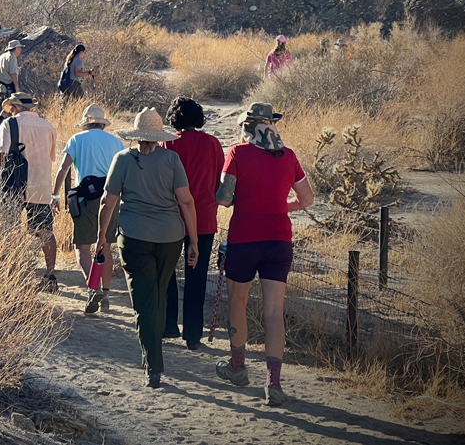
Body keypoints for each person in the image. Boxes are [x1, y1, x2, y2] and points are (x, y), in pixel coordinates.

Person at [214, 102, 315, 407]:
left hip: (245, 238)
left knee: (238, 302)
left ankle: (238, 367)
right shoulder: (289, 156)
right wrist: (281, 207)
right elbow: (307, 199)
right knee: (273, 312)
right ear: (271, 125)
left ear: (246, 126)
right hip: (279, 240)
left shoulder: (238, 153)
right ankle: (274, 383)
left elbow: (225, 199)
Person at [98, 108, 199, 388]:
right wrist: (193, 239)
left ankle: (152, 365)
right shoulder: (171, 159)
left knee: (144, 301)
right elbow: (187, 201)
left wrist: (102, 237)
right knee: (159, 292)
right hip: (170, 237)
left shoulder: (123, 159)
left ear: (137, 135)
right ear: (158, 136)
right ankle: (154, 356)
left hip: (134, 236)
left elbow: (109, 202)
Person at [161, 97, 225, 348]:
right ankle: (193, 335)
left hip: (172, 217)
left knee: (166, 273)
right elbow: (220, 182)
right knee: (196, 277)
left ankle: (168, 325)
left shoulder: (169, 143)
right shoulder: (212, 143)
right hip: (204, 219)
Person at [50, 104, 124, 313]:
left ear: (86, 123)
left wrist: (55, 195)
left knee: (82, 248)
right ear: (102, 123)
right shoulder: (116, 142)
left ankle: (93, 288)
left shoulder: (77, 139)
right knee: (106, 246)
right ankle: (106, 294)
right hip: (110, 197)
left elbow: (64, 168)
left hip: (85, 198)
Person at [0, 92, 58, 292]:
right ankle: (50, 275)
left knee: (8, 229)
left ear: (14, 108)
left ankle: (11, 274)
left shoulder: (9, 125)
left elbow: (2, 154)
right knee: (45, 231)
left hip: (14, 185)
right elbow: (51, 156)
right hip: (40, 186)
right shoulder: (49, 127)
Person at [0, 40, 22, 122]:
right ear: (16, 48)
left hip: (0, 87)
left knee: (4, 108)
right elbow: (13, 73)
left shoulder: (2, 56)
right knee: (12, 108)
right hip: (8, 87)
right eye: (20, 47)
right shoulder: (12, 57)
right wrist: (17, 87)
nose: (21, 49)